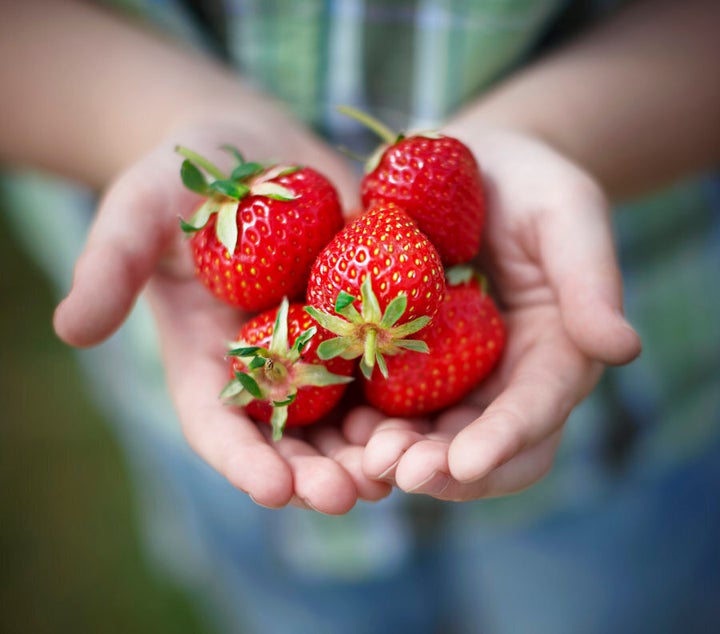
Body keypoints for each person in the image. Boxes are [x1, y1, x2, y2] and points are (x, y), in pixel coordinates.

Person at [2, 0, 719, 632]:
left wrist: (555, 135)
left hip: (632, 432)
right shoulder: (340, 291)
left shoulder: (382, 270)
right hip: (216, 467)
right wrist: (157, 119)